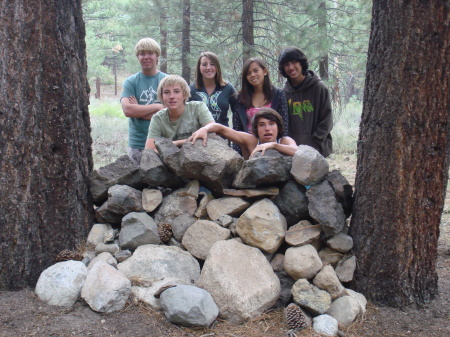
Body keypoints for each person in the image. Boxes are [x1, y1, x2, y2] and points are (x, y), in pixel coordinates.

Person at [278, 47, 333, 157]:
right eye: (286, 64)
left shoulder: (319, 87)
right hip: (292, 150)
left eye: (294, 62)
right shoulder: (283, 93)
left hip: (317, 149)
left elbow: (327, 119)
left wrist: (316, 140)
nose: (291, 67)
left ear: (301, 63)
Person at [120, 38, 167, 163]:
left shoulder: (167, 81)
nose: (146, 57)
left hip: (163, 143)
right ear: (138, 57)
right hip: (137, 144)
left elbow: (171, 112)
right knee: (136, 182)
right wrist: (157, 107)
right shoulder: (131, 82)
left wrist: (139, 111)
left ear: (157, 56)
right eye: (142, 53)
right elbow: (128, 110)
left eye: (150, 53)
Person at [189, 107, 298, 160]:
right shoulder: (250, 140)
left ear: (278, 127)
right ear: (256, 128)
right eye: (262, 125)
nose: (267, 129)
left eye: (271, 124)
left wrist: (274, 145)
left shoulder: (284, 141)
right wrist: (205, 129)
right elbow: (221, 129)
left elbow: (298, 151)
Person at [144, 75, 214, 151]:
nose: (171, 96)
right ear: (161, 96)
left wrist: (174, 143)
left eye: (176, 91)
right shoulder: (158, 118)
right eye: (166, 92)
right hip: (171, 159)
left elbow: (213, 130)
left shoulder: (198, 107)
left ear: (184, 94)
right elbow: (149, 149)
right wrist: (182, 142)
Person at [232, 58, 289, 139]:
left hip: (272, 146)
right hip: (247, 147)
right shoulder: (240, 98)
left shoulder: (278, 94)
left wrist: (279, 148)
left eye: (256, 71)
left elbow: (284, 127)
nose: (252, 75)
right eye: (248, 73)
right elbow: (237, 129)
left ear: (264, 71)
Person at [189, 52, 236, 127]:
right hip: (198, 136)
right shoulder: (191, 90)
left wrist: (235, 135)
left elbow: (237, 113)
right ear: (199, 68)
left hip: (222, 136)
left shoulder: (228, 88)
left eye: (212, 64)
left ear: (217, 67)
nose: (208, 67)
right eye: (204, 64)